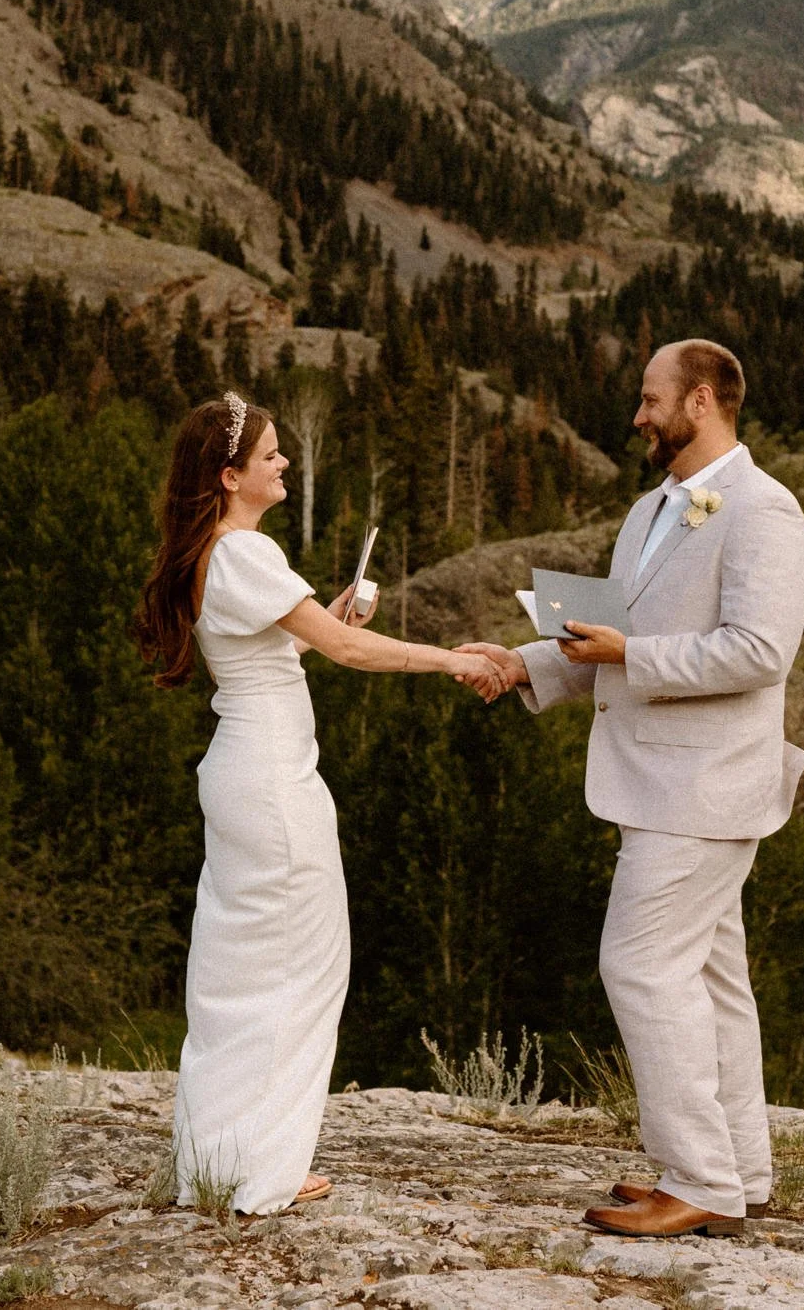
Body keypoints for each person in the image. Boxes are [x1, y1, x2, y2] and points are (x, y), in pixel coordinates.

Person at [458, 340, 804, 1238]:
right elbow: (609, 638)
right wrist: (523, 662)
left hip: (706, 789)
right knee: (712, 978)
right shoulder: (649, 510)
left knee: (641, 964)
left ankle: (698, 1177)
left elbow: (760, 651)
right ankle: (742, 1170)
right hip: (657, 784)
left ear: (701, 401)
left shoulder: (765, 510)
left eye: (651, 399)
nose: (637, 416)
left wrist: (631, 652)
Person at [134, 391, 506, 1216]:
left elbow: (288, 646)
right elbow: (344, 650)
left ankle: (218, 1159)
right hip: (273, 777)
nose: (284, 463)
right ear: (229, 476)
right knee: (302, 967)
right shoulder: (245, 552)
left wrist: (327, 618)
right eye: (269, 454)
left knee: (239, 969)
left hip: (244, 771)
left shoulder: (216, 552)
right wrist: (449, 660)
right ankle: (263, 1167)